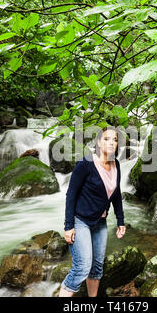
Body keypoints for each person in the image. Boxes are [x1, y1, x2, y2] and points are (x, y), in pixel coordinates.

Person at [58, 126, 126, 297]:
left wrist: (120, 221)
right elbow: (71, 195)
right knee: (82, 267)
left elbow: (116, 194)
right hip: (80, 220)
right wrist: (68, 226)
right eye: (107, 139)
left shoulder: (116, 164)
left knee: (96, 268)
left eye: (115, 140)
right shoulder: (85, 164)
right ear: (98, 142)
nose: (111, 143)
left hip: (100, 222)